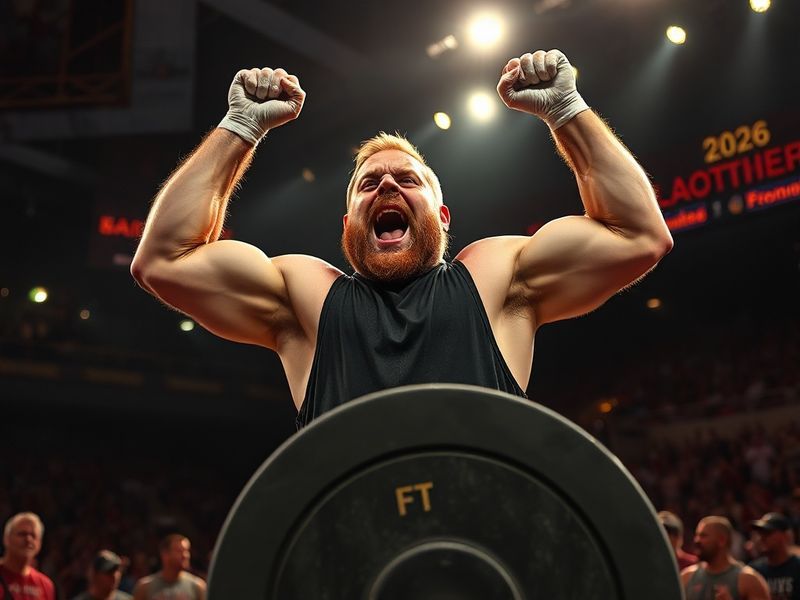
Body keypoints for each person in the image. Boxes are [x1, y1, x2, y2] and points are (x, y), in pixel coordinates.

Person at [131, 49, 673, 425]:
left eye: (407, 179)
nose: (387, 182)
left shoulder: (492, 275)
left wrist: (566, 110)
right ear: (348, 226)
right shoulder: (308, 295)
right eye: (368, 184)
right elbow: (163, 260)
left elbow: (638, 235)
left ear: (442, 216)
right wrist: (239, 127)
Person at [682, 516, 770, 600]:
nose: (697, 540)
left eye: (703, 536)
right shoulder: (687, 577)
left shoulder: (749, 580)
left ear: (722, 540)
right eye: (697, 535)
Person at [0, 512, 56, 600]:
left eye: (33, 536)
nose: (28, 539)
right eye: (22, 534)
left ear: (39, 544)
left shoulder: (45, 585)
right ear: (6, 539)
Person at [132, 535, 205, 600]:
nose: (185, 556)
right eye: (179, 551)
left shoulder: (197, 587)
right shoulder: (145, 588)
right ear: (165, 554)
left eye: (187, 551)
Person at [749, 512, 800, 600]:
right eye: (760, 533)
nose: (761, 538)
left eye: (767, 533)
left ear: (785, 536)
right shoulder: (753, 571)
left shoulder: (797, 568)